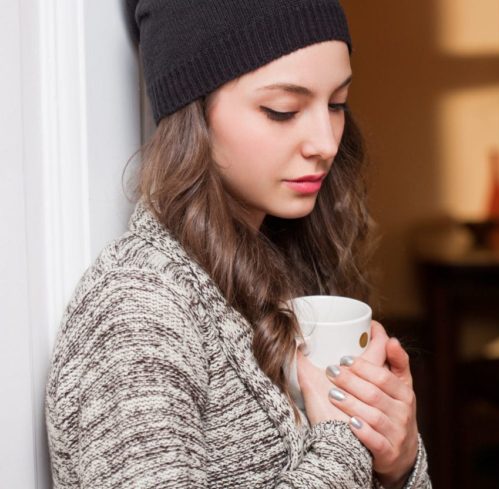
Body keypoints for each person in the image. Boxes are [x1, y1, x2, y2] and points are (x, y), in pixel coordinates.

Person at [44, 1, 432, 488]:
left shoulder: (290, 264)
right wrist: (344, 442)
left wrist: (398, 464)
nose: (326, 142)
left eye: (336, 104)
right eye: (283, 110)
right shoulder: (137, 306)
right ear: (194, 112)